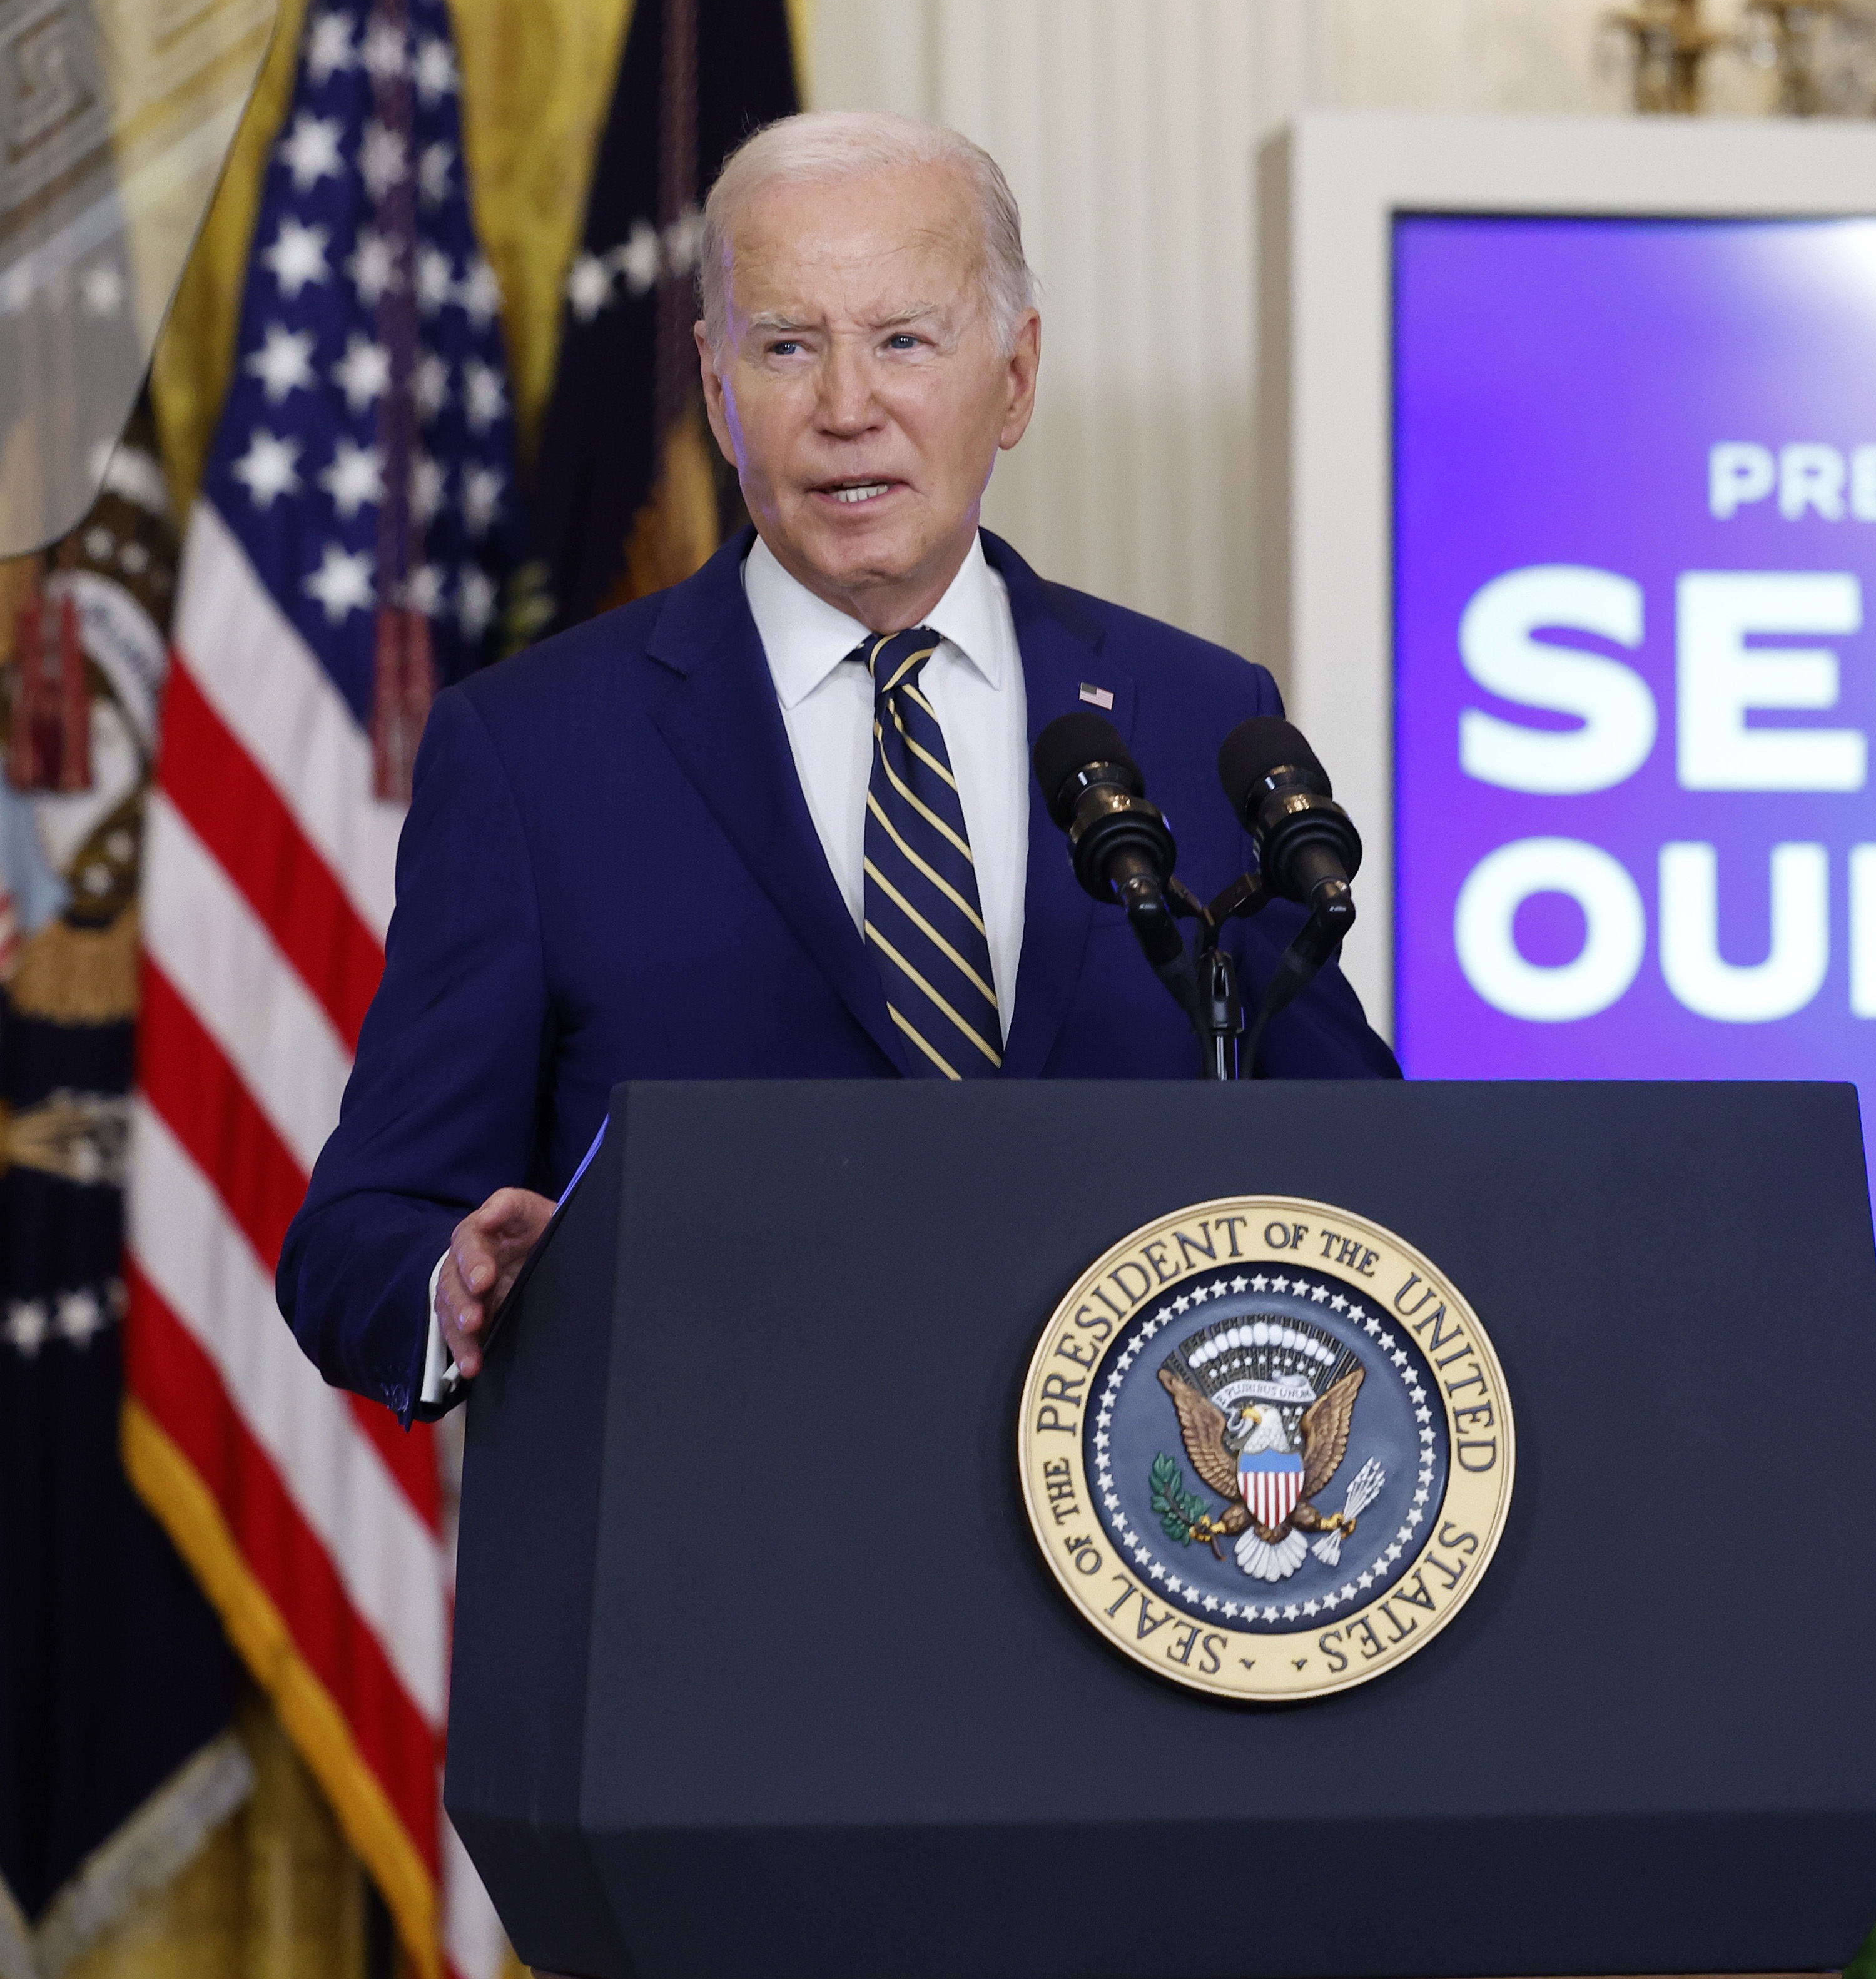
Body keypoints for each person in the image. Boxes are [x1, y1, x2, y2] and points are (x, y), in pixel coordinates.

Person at [276, 113, 1396, 1422]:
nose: (846, 408)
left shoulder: (1196, 716)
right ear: (714, 385)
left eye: (905, 341)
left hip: (1141, 1549)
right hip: (724, 1552)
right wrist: (451, 1283)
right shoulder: (532, 753)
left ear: (1016, 376)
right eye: (787, 347)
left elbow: (1362, 1168)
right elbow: (359, 1232)